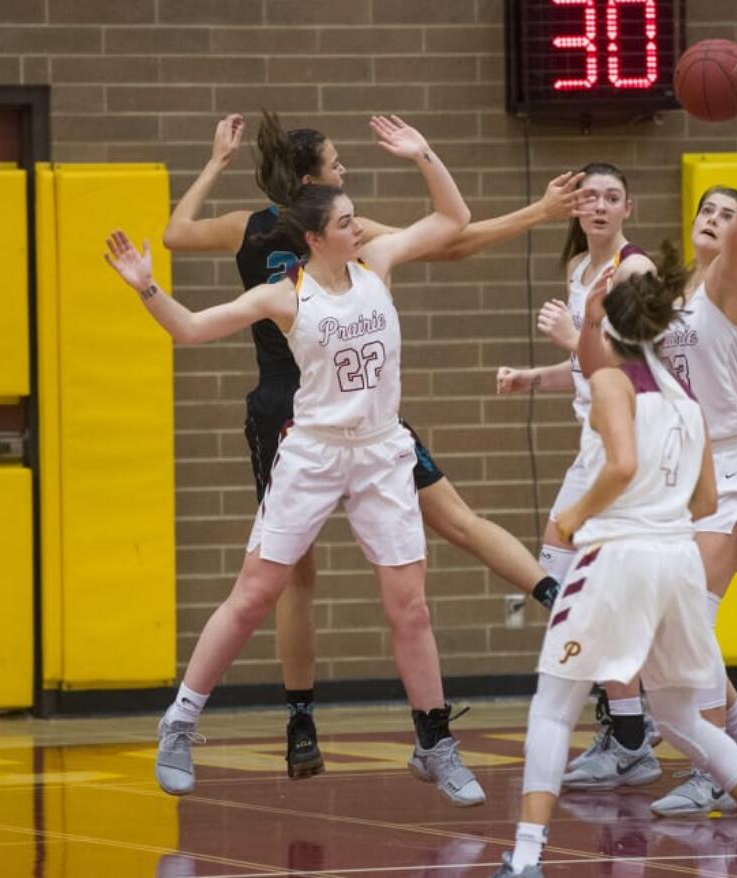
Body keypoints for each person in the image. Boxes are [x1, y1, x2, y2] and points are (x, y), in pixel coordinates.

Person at [162, 112, 590, 780]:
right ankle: (256, 717)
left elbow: (173, 234)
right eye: (336, 169)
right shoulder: (344, 244)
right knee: (300, 571)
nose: (345, 176)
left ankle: (331, 721)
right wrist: (537, 210)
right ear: (315, 199)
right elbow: (455, 239)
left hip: (359, 421)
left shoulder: (255, 227)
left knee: (349, 572)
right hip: (306, 417)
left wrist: (216, 161)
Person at [108, 115, 486, 805]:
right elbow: (190, 331)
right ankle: (181, 722)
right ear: (315, 239)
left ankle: (435, 743)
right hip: (312, 453)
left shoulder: (381, 263)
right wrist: (145, 287)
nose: (358, 226)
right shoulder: (283, 297)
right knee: (255, 595)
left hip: (379, 454)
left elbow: (454, 216)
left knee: (411, 607)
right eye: (346, 221)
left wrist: (422, 152)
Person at [489, 248, 737, 878]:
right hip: (677, 558)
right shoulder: (685, 397)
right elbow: (704, 499)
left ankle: (527, 859)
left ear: (608, 326)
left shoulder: (613, 384)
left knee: (553, 706)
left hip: (618, 556)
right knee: (676, 714)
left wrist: (572, 517)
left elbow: (617, 466)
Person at [563, 108, 737, 811]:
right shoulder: (674, 295)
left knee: (688, 618)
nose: (719, 219)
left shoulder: (729, 284)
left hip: (735, 469)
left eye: (730, 213)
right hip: (686, 470)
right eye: (709, 210)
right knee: (664, 621)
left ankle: (716, 772)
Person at [496, 163, 663, 791]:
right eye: (589, 196)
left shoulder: (636, 271)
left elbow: (635, 360)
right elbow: (583, 366)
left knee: (588, 589)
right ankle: (627, 724)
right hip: (592, 437)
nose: (598, 206)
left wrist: (572, 339)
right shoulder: (577, 271)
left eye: (611, 197)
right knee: (567, 584)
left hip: (628, 440)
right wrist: (533, 377)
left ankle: (634, 727)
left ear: (629, 209)